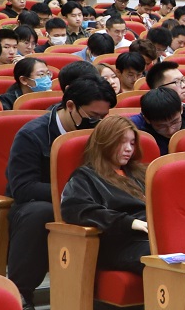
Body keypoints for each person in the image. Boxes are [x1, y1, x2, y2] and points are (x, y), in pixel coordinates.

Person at [6, 74, 117, 310]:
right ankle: (19, 297)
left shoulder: (99, 134)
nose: (98, 123)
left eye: (103, 117)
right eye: (93, 116)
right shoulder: (32, 134)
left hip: (87, 203)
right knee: (40, 213)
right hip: (38, 204)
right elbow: (23, 187)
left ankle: (107, 299)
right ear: (70, 106)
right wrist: (72, 195)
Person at [58, 114, 152, 276]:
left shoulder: (141, 173)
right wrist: (128, 222)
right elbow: (76, 209)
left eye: (132, 143)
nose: (129, 149)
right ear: (106, 142)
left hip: (152, 236)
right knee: (165, 258)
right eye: (122, 142)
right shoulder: (86, 176)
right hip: (122, 243)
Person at [130, 85, 185, 155]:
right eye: (161, 126)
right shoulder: (133, 130)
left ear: (181, 109)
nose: (170, 131)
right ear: (147, 119)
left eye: (175, 122)